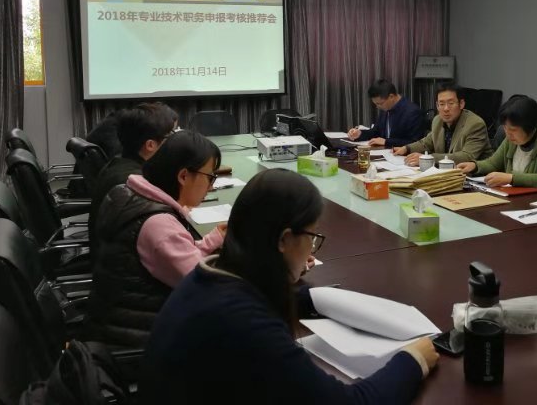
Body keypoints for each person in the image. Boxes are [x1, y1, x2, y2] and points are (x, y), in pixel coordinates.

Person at [140, 168, 439, 404]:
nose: (312, 247)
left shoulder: (212, 276)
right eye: (312, 236)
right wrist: (413, 360)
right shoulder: (244, 323)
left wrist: (314, 299)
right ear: (284, 239)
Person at [85, 130, 225, 348]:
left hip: (114, 324)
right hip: (138, 341)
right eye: (210, 177)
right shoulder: (159, 225)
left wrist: (213, 239)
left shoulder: (127, 192)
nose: (212, 186)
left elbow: (172, 257)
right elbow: (204, 287)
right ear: (183, 176)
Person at [89, 103, 178, 246]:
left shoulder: (119, 162)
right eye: (171, 135)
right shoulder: (134, 183)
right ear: (150, 145)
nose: (175, 141)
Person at [457, 96, 537, 190]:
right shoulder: (511, 141)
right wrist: (475, 166)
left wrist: (511, 178)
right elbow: (493, 163)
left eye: (513, 130)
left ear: (529, 126)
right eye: (505, 128)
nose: (508, 134)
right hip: (516, 197)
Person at [393, 83, 492, 165]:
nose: (446, 109)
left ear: (461, 104)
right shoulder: (438, 120)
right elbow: (427, 143)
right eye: (441, 104)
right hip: (448, 173)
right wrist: (406, 148)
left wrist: (428, 158)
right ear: (437, 105)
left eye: (451, 103)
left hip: (476, 177)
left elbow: (467, 156)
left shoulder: (475, 124)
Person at [347, 79, 424, 148]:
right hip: (384, 152)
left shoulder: (413, 112)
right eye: (375, 104)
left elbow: (416, 143)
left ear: (391, 97)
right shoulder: (387, 108)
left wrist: (386, 142)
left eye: (379, 103)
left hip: (403, 156)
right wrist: (360, 134)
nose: (377, 107)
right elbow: (376, 132)